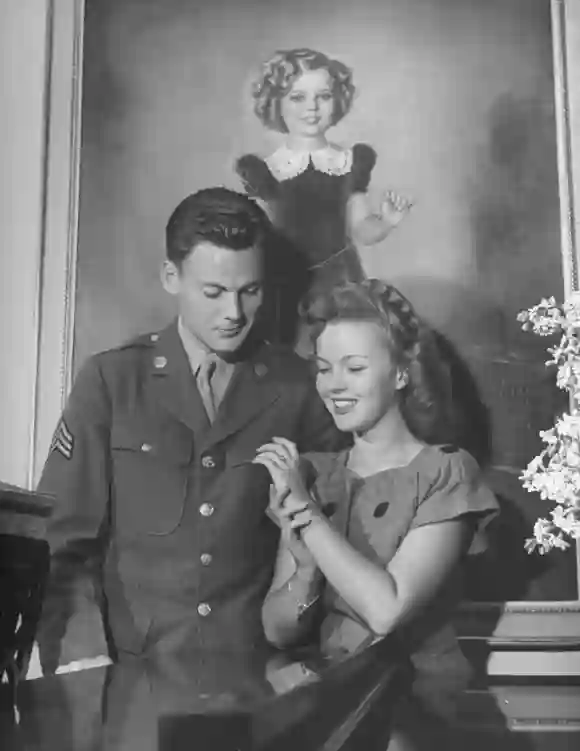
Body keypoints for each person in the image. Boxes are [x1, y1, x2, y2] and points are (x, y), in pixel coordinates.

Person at [35, 187, 346, 673]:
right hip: (131, 685)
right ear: (170, 277)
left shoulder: (300, 388)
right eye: (214, 293)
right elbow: (62, 549)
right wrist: (83, 663)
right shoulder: (112, 382)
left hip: (256, 685)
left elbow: (335, 539)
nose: (234, 314)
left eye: (251, 290)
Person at [254, 279, 499, 672]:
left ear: (402, 373)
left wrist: (309, 515)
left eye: (354, 368)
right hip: (334, 701)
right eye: (324, 369)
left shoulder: (446, 472)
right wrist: (305, 572)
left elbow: (386, 612)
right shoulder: (315, 474)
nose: (334, 385)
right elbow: (278, 632)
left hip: (417, 706)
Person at [236, 48, 412, 349]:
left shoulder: (349, 162)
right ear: (276, 103)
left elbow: (361, 231)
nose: (312, 108)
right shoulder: (266, 172)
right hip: (288, 288)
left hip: (341, 283)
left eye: (323, 96)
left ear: (338, 100)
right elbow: (259, 243)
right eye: (298, 97)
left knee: (345, 352)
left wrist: (386, 222)